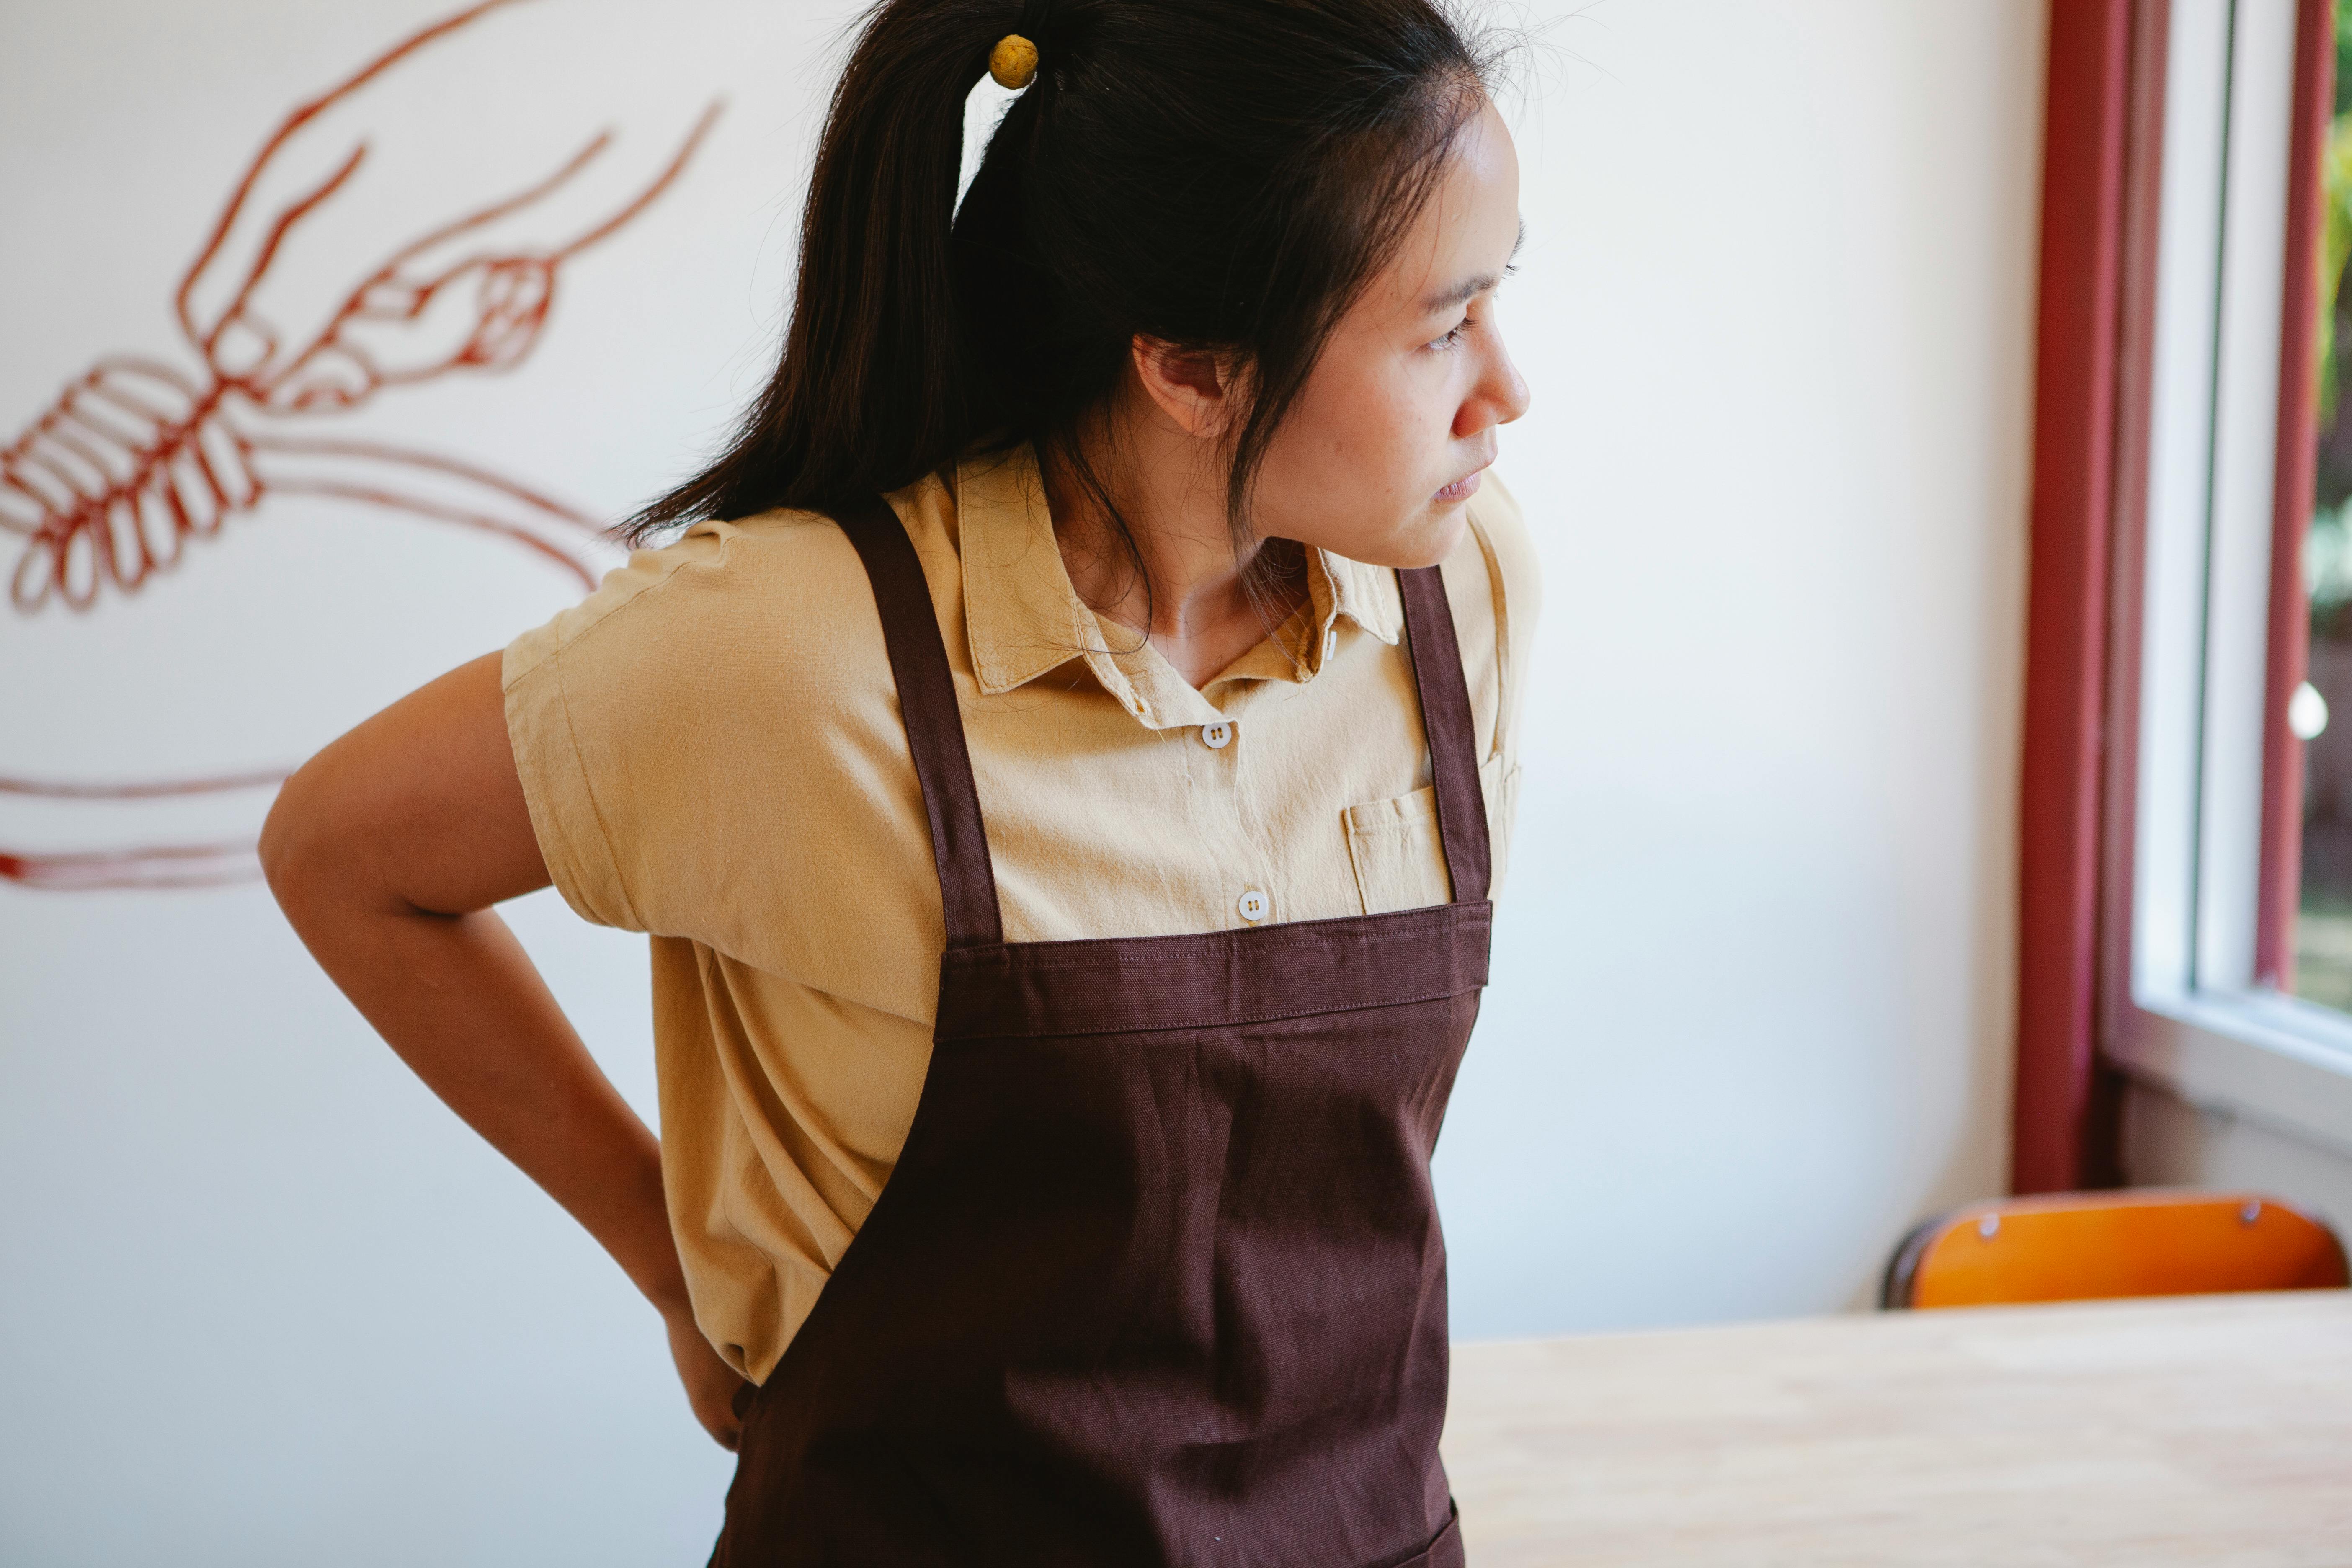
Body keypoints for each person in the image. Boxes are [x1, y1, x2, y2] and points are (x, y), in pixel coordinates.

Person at [263, 0, 1534, 1561]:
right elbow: (341, 852)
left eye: (1499, 297)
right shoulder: (788, 652)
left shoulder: (1456, 602)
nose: (1507, 391)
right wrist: (669, 1254)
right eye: (1441, 328)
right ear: (1193, 369)